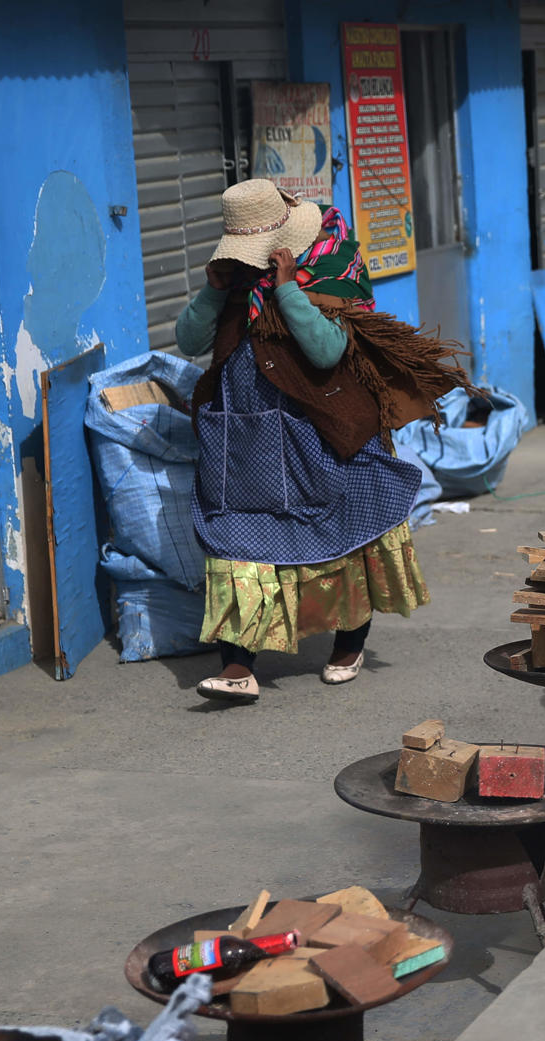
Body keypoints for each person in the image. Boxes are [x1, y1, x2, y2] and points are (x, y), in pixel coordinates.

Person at [176, 179, 470, 703]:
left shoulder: (331, 269)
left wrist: (287, 289)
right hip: (246, 444)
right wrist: (213, 291)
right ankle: (239, 666)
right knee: (236, 544)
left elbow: (327, 350)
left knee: (345, 538)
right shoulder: (234, 285)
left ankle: (349, 644)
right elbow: (189, 339)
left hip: (324, 436)